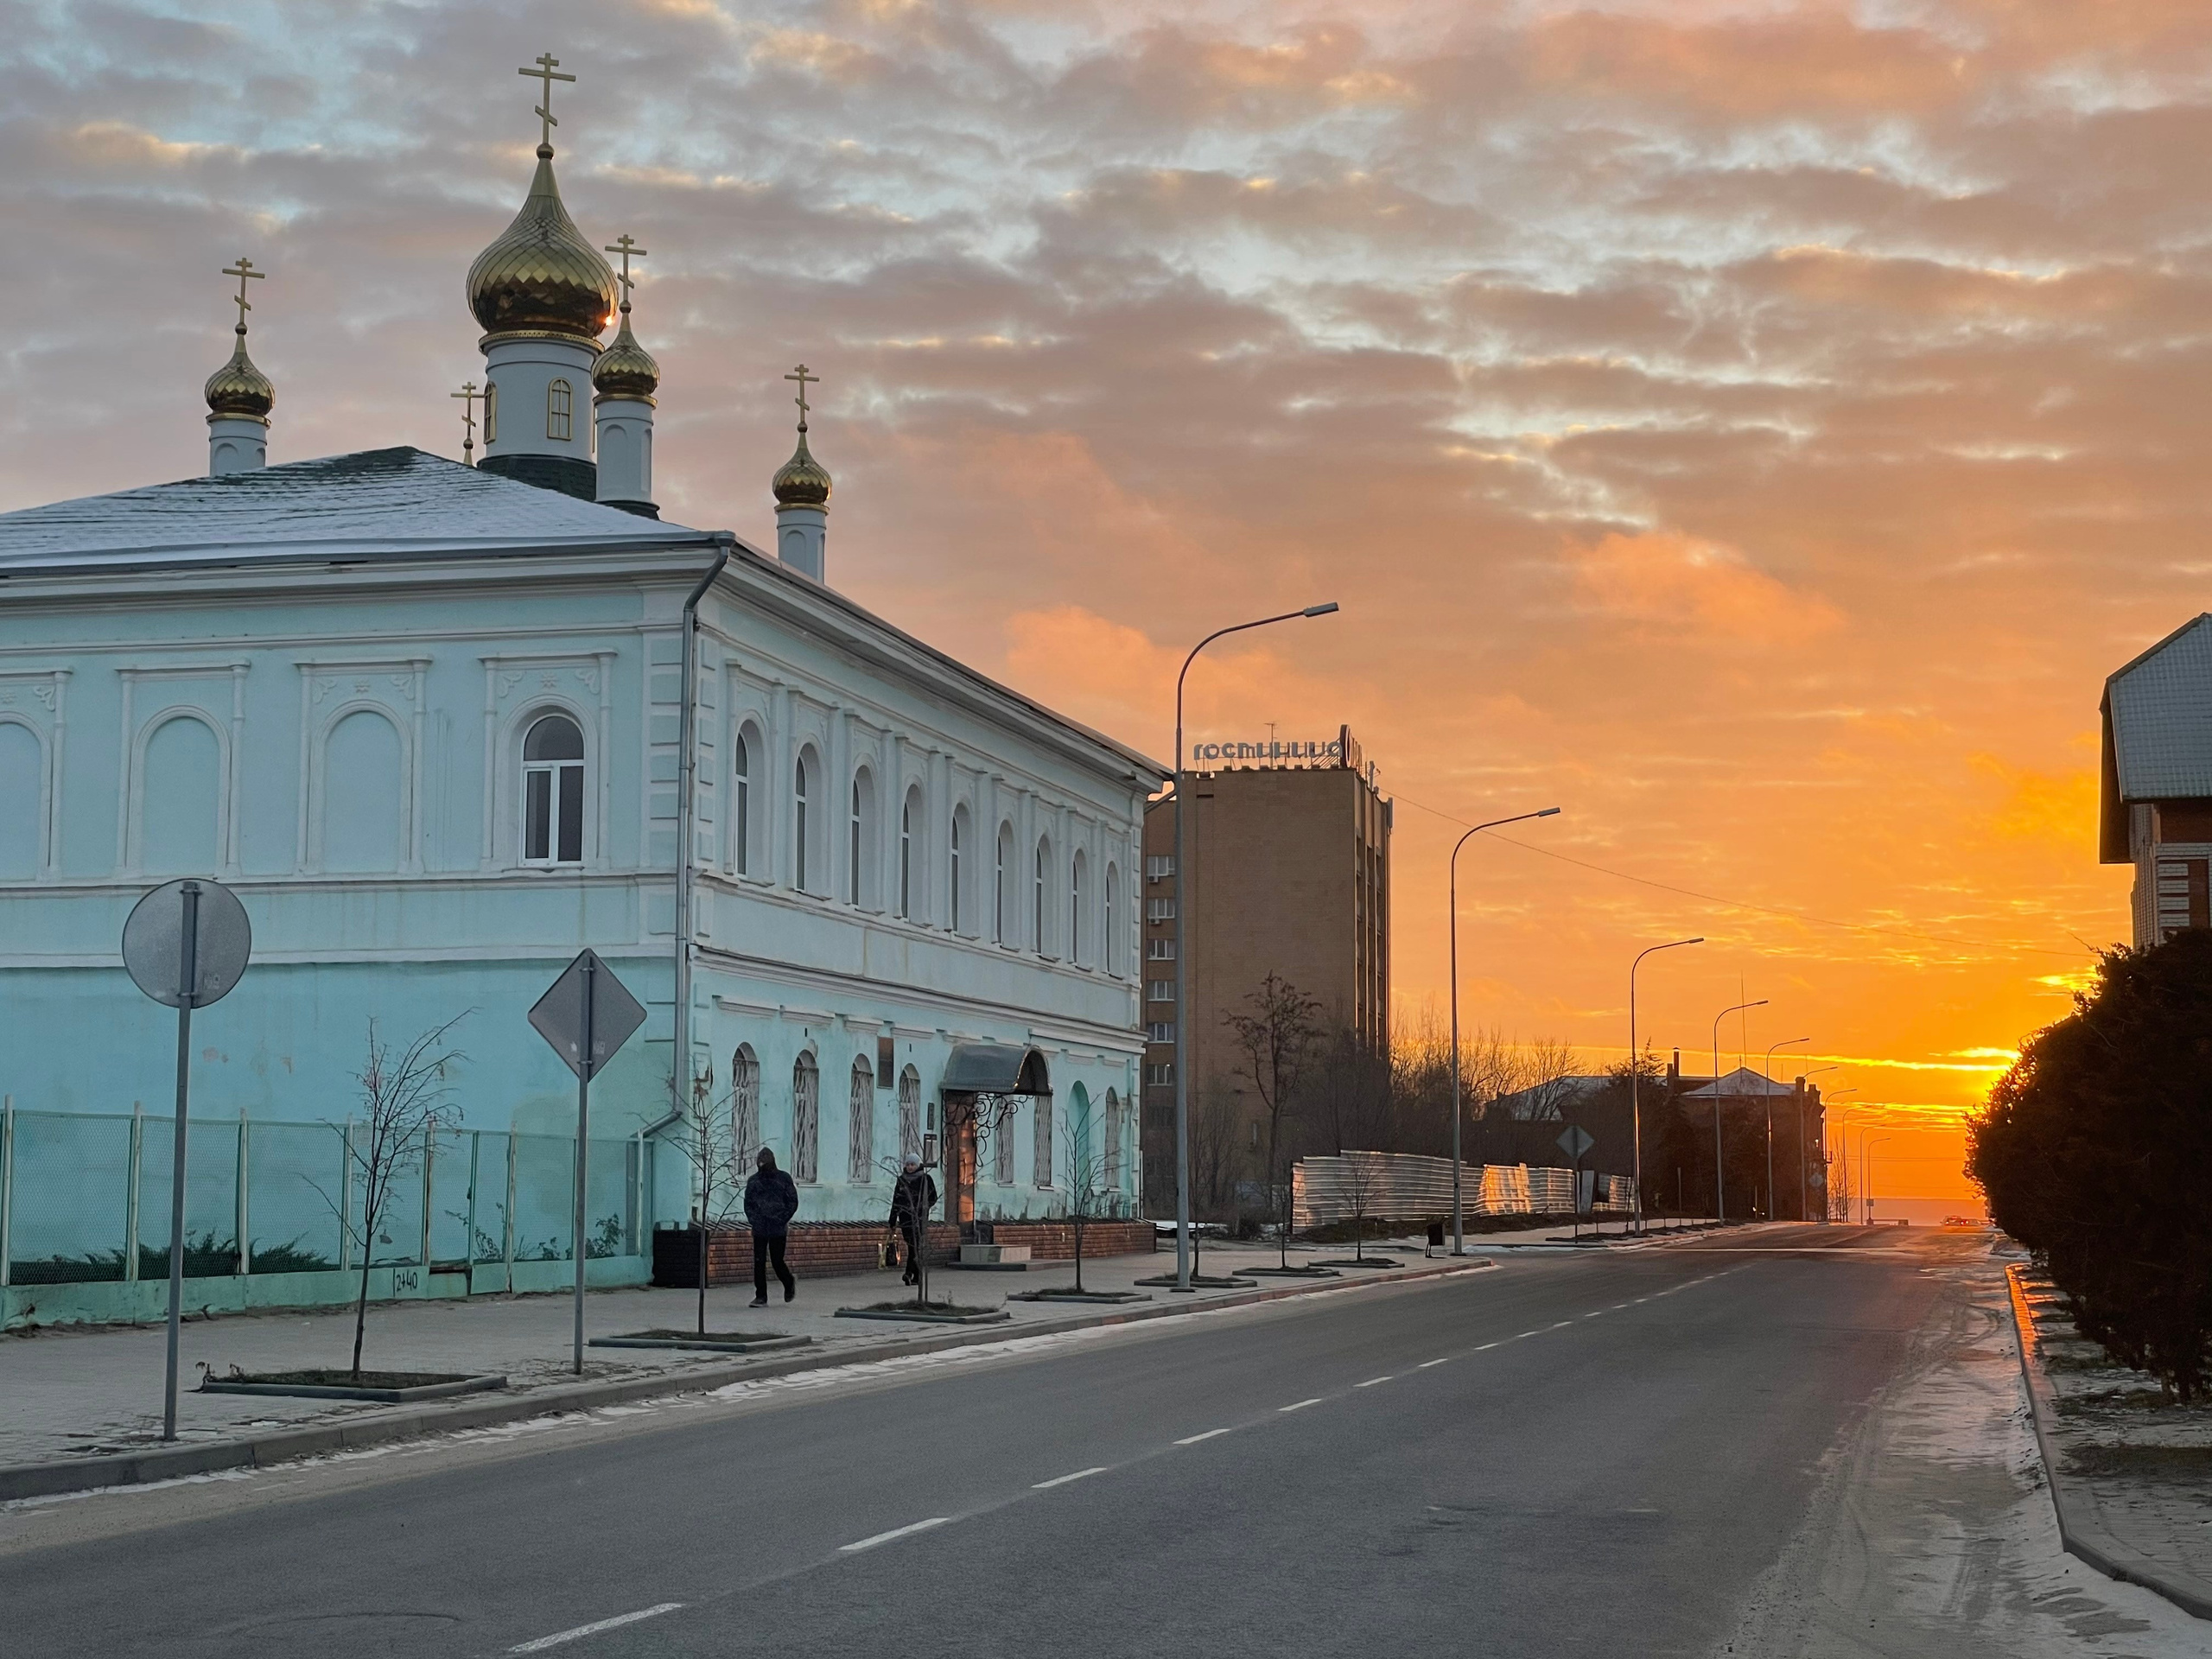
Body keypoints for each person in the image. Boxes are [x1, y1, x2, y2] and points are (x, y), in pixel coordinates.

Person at [743, 1147, 798, 1306]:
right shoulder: (754, 1181)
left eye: (764, 1163)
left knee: (777, 1261)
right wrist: (755, 1221)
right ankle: (761, 1296)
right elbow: (749, 1204)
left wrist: (781, 1219)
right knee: (759, 1262)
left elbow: (792, 1202)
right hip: (760, 1227)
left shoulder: (783, 1179)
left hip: (778, 1228)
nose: (761, 1166)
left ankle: (788, 1283)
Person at [887, 1155, 938, 1287]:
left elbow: (933, 1197)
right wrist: (892, 1220)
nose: (910, 1167)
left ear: (918, 1165)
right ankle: (916, 1277)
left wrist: (923, 1207)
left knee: (914, 1246)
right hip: (905, 1218)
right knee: (912, 1245)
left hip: (919, 1219)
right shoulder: (901, 1181)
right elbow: (896, 1201)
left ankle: (909, 1273)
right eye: (908, 1164)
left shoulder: (925, 1179)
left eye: (913, 1165)